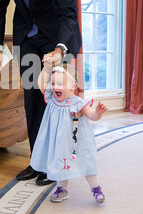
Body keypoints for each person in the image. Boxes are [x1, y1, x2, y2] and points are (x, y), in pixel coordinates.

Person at [0, 0, 82, 185]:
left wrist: (60, 49)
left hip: (56, 37)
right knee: (33, 97)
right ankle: (37, 161)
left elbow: (68, 12)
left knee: (56, 101)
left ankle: (58, 162)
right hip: (27, 37)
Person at [30, 63, 108, 203]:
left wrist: (98, 112)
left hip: (77, 143)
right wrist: (46, 68)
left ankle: (96, 188)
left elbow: (92, 116)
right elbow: (41, 82)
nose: (55, 87)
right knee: (60, 164)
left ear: (74, 86)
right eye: (53, 83)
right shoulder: (52, 99)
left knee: (86, 162)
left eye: (61, 83)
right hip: (59, 143)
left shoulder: (79, 103)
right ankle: (62, 190)